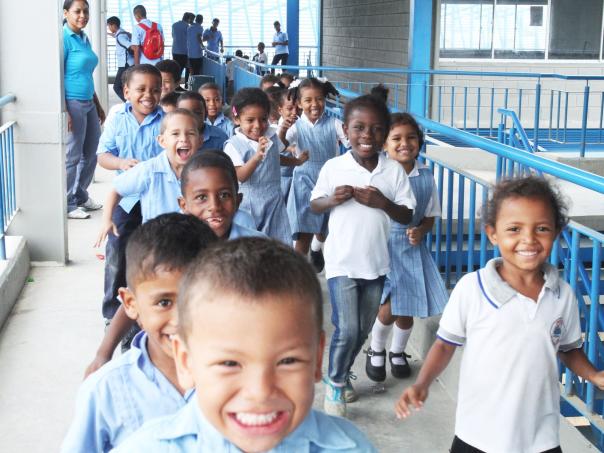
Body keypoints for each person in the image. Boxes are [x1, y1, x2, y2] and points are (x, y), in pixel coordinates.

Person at [396, 176, 604, 453]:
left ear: (556, 232)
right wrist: (422, 384)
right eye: (514, 229)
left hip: (540, 438)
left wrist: (594, 375)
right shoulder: (472, 289)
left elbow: (568, 349)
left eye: (542, 228)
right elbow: (445, 344)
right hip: (477, 435)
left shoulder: (562, 294)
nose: (528, 239)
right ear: (493, 233)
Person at [112, 238, 377, 452]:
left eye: (287, 361)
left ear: (318, 358)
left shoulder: (353, 448)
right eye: (230, 363)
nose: (260, 392)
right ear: (185, 362)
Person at [83, 151, 261, 378]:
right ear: (183, 204)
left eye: (224, 195)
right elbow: (137, 296)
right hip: (169, 354)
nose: (214, 206)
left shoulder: (255, 249)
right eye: (201, 197)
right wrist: (103, 354)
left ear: (238, 200)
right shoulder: (168, 245)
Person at [61, 213, 217, 452]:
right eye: (164, 302)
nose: (181, 319)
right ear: (131, 304)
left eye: (198, 299)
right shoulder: (105, 390)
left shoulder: (241, 379)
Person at [310, 94, 416, 417]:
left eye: (376, 129)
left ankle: (340, 371)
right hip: (341, 263)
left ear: (384, 134)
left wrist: (383, 203)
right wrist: (332, 200)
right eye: (358, 128)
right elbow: (315, 204)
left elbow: (407, 214)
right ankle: (335, 383)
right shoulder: (334, 167)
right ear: (345, 130)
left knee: (362, 329)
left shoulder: (393, 171)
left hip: (376, 264)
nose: (367, 135)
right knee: (347, 329)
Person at [366, 112, 448, 382]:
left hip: (412, 248)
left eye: (411, 137)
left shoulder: (426, 176)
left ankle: (398, 351)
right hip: (385, 245)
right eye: (396, 138)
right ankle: (377, 347)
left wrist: (422, 230)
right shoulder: (380, 175)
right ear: (384, 144)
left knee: (408, 304)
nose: (404, 143)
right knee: (391, 303)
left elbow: (430, 213)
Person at [96, 64, 163, 321]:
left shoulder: (166, 121)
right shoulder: (118, 120)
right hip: (125, 200)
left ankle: (150, 310)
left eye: (155, 90)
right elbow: (103, 155)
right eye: (141, 89)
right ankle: (112, 315)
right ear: (126, 92)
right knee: (117, 253)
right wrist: (120, 162)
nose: (148, 95)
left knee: (155, 255)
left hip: (157, 199)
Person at [96, 109, 201, 243]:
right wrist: (107, 220)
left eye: (191, 133)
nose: (184, 139)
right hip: (154, 243)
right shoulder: (148, 170)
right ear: (162, 141)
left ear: (200, 140)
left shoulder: (204, 174)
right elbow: (116, 189)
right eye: (175, 134)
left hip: (191, 242)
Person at [278, 78, 346, 267]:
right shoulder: (295, 126)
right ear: (299, 104)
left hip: (328, 181)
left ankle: (317, 248)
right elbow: (279, 147)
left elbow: (351, 142)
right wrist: (282, 130)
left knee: (323, 229)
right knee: (304, 233)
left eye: (319, 99)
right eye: (308, 100)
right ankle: (298, 273)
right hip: (303, 181)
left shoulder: (334, 123)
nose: (314, 104)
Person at [223, 88, 291, 244]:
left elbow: (277, 155)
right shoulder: (234, 145)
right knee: (252, 245)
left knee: (278, 244)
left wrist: (297, 161)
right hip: (249, 204)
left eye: (263, 119)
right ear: (237, 119)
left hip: (274, 201)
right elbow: (240, 176)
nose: (258, 125)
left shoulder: (271, 136)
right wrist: (257, 156)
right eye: (250, 120)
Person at [63, 0, 105, 219]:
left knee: (91, 152)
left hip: (88, 102)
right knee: (73, 155)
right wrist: (65, 110)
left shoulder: (83, 37)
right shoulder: (63, 38)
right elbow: (56, 77)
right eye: (77, 11)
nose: (83, 15)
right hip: (73, 103)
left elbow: (86, 75)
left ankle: (80, 195)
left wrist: (98, 105)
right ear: (66, 13)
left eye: (86, 11)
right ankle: (68, 204)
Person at [276, 87, 304, 201]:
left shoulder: (302, 125)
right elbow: (278, 146)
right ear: (280, 110)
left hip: (299, 176)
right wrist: (290, 148)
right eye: (289, 108)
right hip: (283, 177)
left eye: (298, 108)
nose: (295, 112)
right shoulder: (276, 128)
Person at [107, 16, 134, 102]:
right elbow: (116, 36)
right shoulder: (122, 32)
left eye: (109, 26)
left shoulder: (120, 36)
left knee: (116, 87)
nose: (109, 28)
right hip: (129, 63)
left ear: (114, 25)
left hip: (125, 64)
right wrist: (108, 34)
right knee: (125, 85)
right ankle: (130, 102)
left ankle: (130, 103)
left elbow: (130, 46)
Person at [171, 12, 193, 77]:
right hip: (184, 51)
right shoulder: (188, 27)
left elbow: (173, 36)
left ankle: (175, 81)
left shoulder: (174, 25)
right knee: (183, 68)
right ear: (188, 19)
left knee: (176, 69)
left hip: (175, 50)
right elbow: (190, 40)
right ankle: (180, 82)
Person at [186, 14, 204, 84]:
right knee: (197, 71)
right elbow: (199, 37)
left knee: (190, 70)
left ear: (196, 20)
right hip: (197, 54)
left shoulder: (189, 27)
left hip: (190, 53)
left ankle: (188, 84)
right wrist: (202, 46)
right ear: (201, 20)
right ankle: (195, 85)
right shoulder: (200, 27)